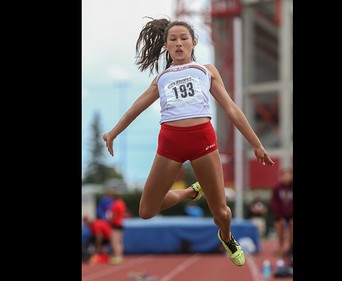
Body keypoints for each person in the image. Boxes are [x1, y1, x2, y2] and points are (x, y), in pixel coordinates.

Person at [102, 17, 274, 267]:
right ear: (166, 45)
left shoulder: (206, 70)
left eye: (184, 38)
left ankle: (226, 238)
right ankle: (190, 192)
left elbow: (232, 109)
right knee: (146, 211)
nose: (179, 43)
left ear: (193, 42)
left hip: (202, 141)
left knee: (222, 214)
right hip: (170, 145)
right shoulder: (161, 78)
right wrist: (113, 132)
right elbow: (135, 109)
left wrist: (256, 144)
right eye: (173, 39)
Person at [269, 168, 293, 257]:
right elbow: (274, 203)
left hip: (291, 215)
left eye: (288, 175)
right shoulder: (277, 188)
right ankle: (280, 247)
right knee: (280, 227)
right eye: (284, 176)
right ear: (281, 177)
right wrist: (280, 216)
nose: (286, 178)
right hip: (280, 215)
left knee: (292, 225)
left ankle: (290, 248)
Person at [107, 190, 127, 265]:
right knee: (119, 241)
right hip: (120, 223)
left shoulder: (115, 204)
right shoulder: (122, 203)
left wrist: (109, 222)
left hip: (115, 224)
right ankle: (120, 256)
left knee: (114, 241)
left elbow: (114, 216)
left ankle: (117, 257)